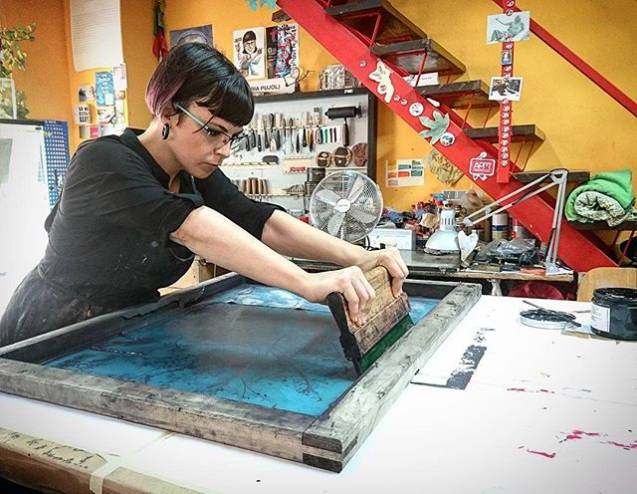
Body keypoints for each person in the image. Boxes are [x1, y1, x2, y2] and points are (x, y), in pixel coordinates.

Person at [0, 43, 407, 347]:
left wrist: (357, 257)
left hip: (127, 323)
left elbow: (258, 220)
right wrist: (306, 283)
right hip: (53, 328)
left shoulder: (193, 170)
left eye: (232, 137)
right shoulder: (105, 162)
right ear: (168, 112)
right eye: (214, 132)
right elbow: (191, 227)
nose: (224, 150)